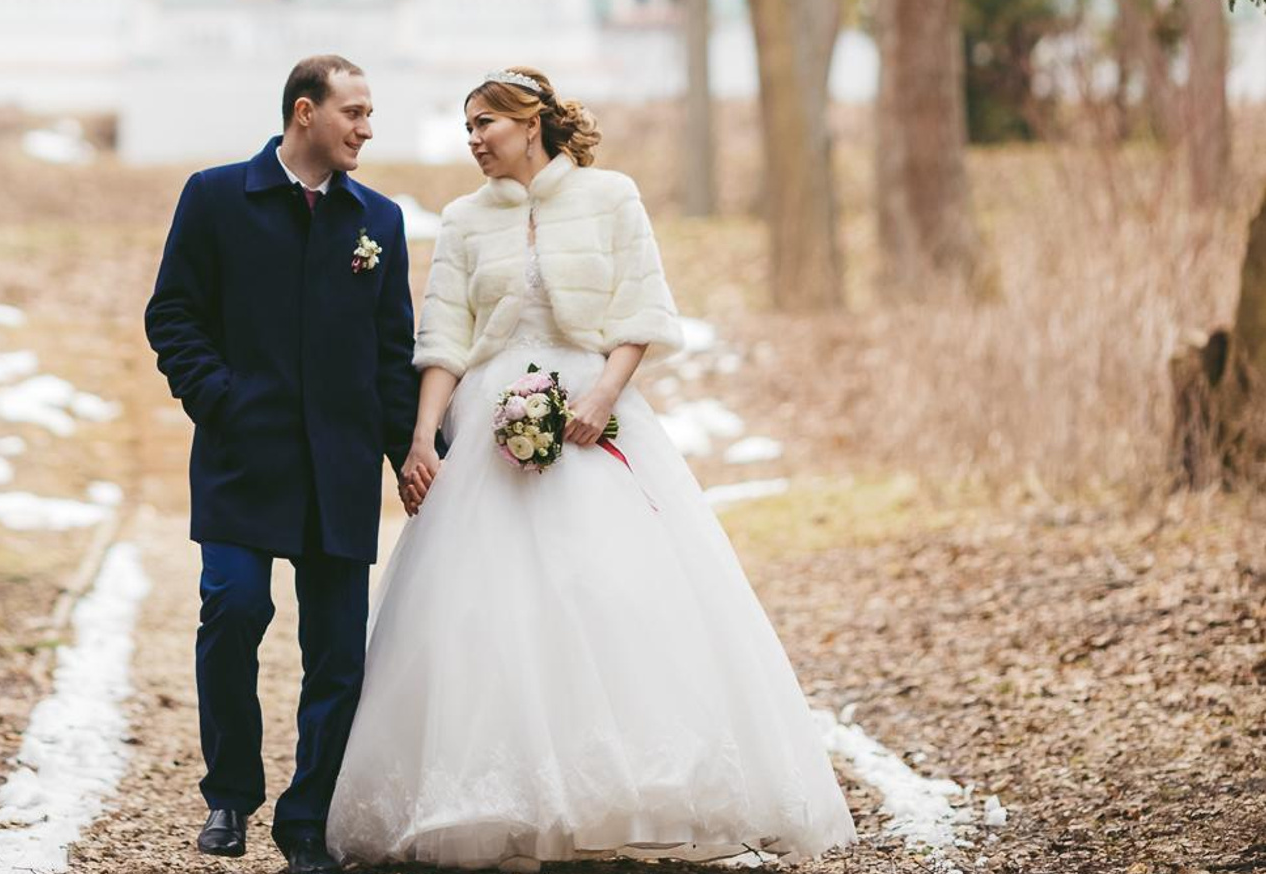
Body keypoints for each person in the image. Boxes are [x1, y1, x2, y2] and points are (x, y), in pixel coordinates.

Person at [326, 67, 857, 870]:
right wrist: (424, 439)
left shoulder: (611, 199)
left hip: (593, 419)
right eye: (467, 127)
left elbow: (642, 309)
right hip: (488, 431)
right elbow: (442, 340)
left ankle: (618, 787)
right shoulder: (466, 221)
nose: (473, 140)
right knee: (484, 608)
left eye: (486, 125)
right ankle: (501, 798)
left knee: (608, 589)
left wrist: (603, 396)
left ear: (529, 122)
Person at [145, 54, 418, 874]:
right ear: (306, 112)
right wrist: (220, 398)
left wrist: (411, 452)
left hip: (338, 470)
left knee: (337, 651)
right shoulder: (216, 196)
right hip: (241, 456)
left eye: (370, 114)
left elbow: (390, 350)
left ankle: (306, 821)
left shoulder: (381, 221)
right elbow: (173, 314)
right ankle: (230, 793)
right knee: (232, 611)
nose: (367, 128)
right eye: (355, 113)